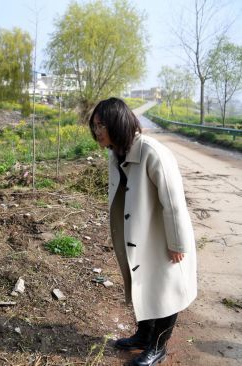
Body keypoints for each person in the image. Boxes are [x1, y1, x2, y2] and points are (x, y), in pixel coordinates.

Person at [89, 97, 197, 366]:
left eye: (102, 125)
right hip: (139, 235)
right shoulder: (116, 153)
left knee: (166, 291)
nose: (97, 132)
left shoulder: (151, 152)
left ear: (118, 123)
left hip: (162, 237)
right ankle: (143, 336)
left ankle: (158, 347)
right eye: (94, 126)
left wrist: (177, 244)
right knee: (143, 285)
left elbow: (174, 202)